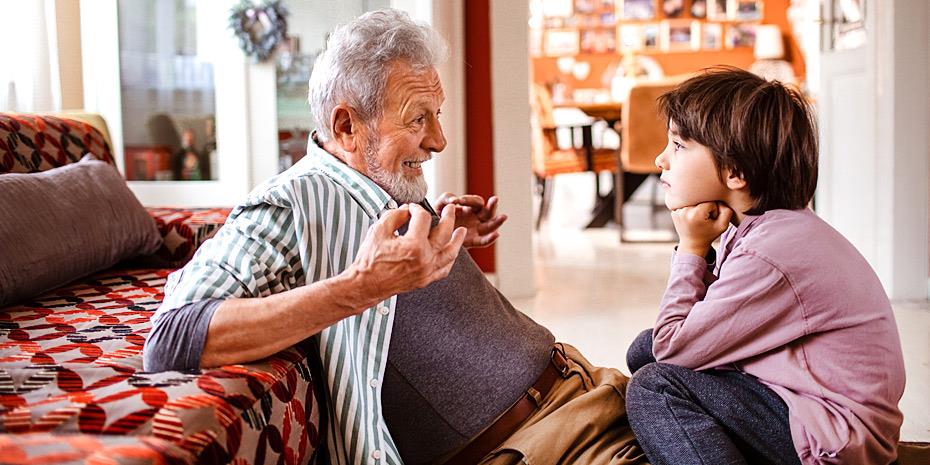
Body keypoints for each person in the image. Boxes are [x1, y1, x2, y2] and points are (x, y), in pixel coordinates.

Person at [143, 9, 647, 465]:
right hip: (544, 446)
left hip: (586, 389)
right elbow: (172, 337)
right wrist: (363, 286)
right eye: (417, 119)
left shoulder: (383, 183)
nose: (438, 139)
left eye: (438, 113)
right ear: (346, 126)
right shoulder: (287, 204)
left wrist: (448, 235)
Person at [624, 67, 905, 465]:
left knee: (655, 386)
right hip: (808, 405)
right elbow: (689, 334)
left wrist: (691, 247)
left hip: (831, 437)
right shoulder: (770, 228)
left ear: (735, 172)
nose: (660, 158)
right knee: (643, 350)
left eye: (679, 146)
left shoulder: (769, 254)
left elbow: (674, 350)